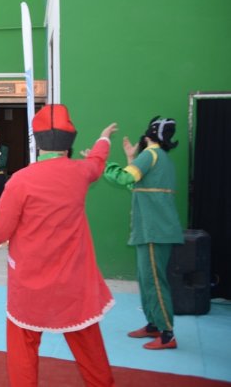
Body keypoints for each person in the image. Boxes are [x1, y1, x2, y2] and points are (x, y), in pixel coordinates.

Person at [0, 104, 117, 387]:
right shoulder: (80, 173)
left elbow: (0, 228)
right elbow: (96, 164)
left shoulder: (20, 181)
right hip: (74, 281)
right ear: (69, 144)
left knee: (22, 345)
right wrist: (103, 140)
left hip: (29, 283)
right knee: (88, 342)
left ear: (37, 141)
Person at [103, 116, 184, 350]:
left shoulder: (151, 154)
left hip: (154, 230)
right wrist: (130, 158)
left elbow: (126, 177)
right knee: (148, 280)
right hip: (152, 229)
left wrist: (102, 162)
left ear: (148, 135)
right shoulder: (161, 158)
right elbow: (135, 185)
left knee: (155, 282)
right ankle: (154, 325)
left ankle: (167, 334)